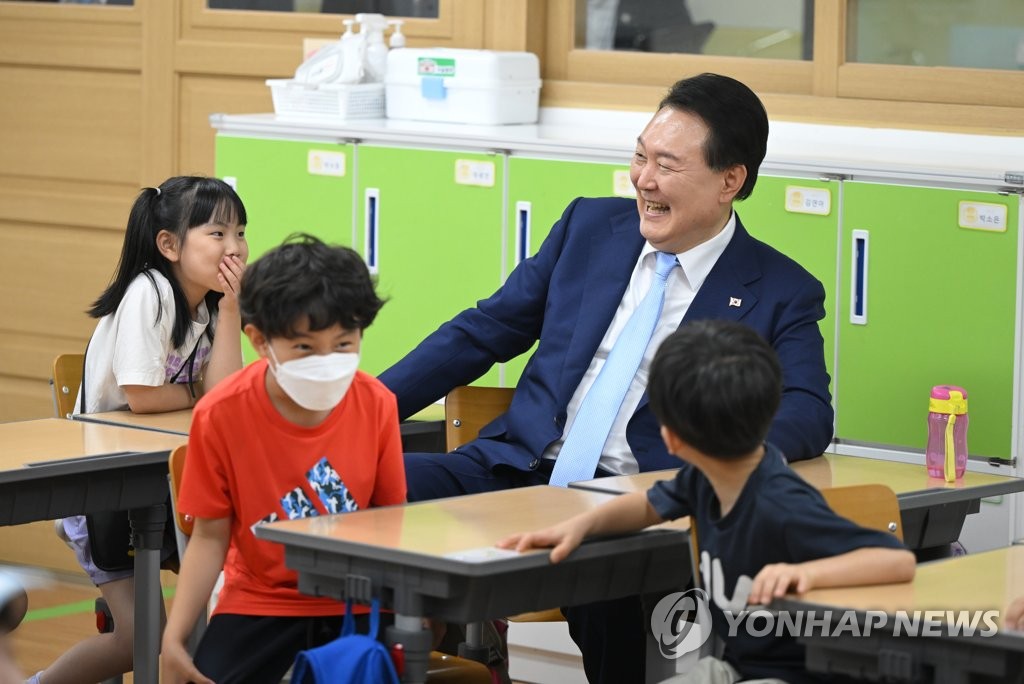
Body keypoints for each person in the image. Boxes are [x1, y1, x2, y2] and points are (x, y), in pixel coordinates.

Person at [378, 72, 833, 680]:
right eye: (640, 157)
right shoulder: (589, 229)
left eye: (667, 166)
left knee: (618, 621)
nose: (644, 179)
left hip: (635, 497)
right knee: (364, 492)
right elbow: (483, 332)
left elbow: (808, 410)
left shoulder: (779, 290)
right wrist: (366, 409)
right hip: (515, 467)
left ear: (731, 180)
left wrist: (715, 471)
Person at [498, 320, 917, 684]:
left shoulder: (779, 502)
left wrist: (804, 572)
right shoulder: (702, 480)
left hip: (800, 674)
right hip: (739, 667)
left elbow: (895, 561)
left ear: (671, 438)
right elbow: (645, 507)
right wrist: (581, 525)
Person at [161, 234, 406, 684]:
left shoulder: (377, 404)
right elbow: (210, 537)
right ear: (259, 341)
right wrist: (173, 639)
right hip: (261, 600)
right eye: (305, 348)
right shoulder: (221, 414)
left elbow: (389, 522)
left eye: (344, 344)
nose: (327, 361)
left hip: (359, 599)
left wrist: (416, 611)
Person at [35, 176, 248, 684]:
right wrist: (197, 395)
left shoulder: (212, 304)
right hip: (102, 491)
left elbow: (225, 394)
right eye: (218, 234)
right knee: (141, 640)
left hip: (166, 482)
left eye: (241, 233)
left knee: (228, 593)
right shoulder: (148, 292)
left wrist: (234, 306)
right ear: (169, 245)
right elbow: (143, 395)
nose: (235, 248)